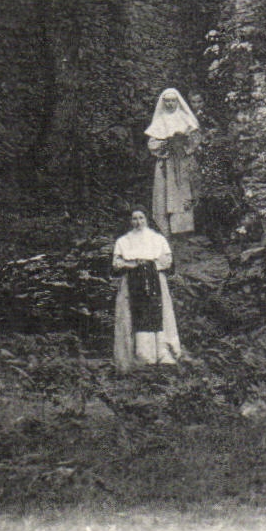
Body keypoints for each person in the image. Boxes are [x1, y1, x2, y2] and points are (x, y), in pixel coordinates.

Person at [111, 209, 182, 373]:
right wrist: (134, 264)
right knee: (135, 315)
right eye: (134, 218)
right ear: (130, 221)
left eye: (141, 218)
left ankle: (163, 355)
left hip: (155, 280)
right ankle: (142, 357)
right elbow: (117, 262)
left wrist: (149, 265)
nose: (138, 222)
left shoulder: (157, 238)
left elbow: (167, 260)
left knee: (159, 313)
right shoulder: (124, 240)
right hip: (132, 282)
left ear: (147, 219)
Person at [145, 88, 201, 236]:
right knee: (165, 194)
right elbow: (152, 144)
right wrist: (166, 145)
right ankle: (165, 228)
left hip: (183, 161)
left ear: (178, 101)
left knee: (183, 191)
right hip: (166, 163)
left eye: (173, 100)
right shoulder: (160, 120)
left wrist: (184, 146)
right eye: (167, 101)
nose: (170, 104)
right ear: (163, 102)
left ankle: (184, 228)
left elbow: (195, 139)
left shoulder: (185, 117)